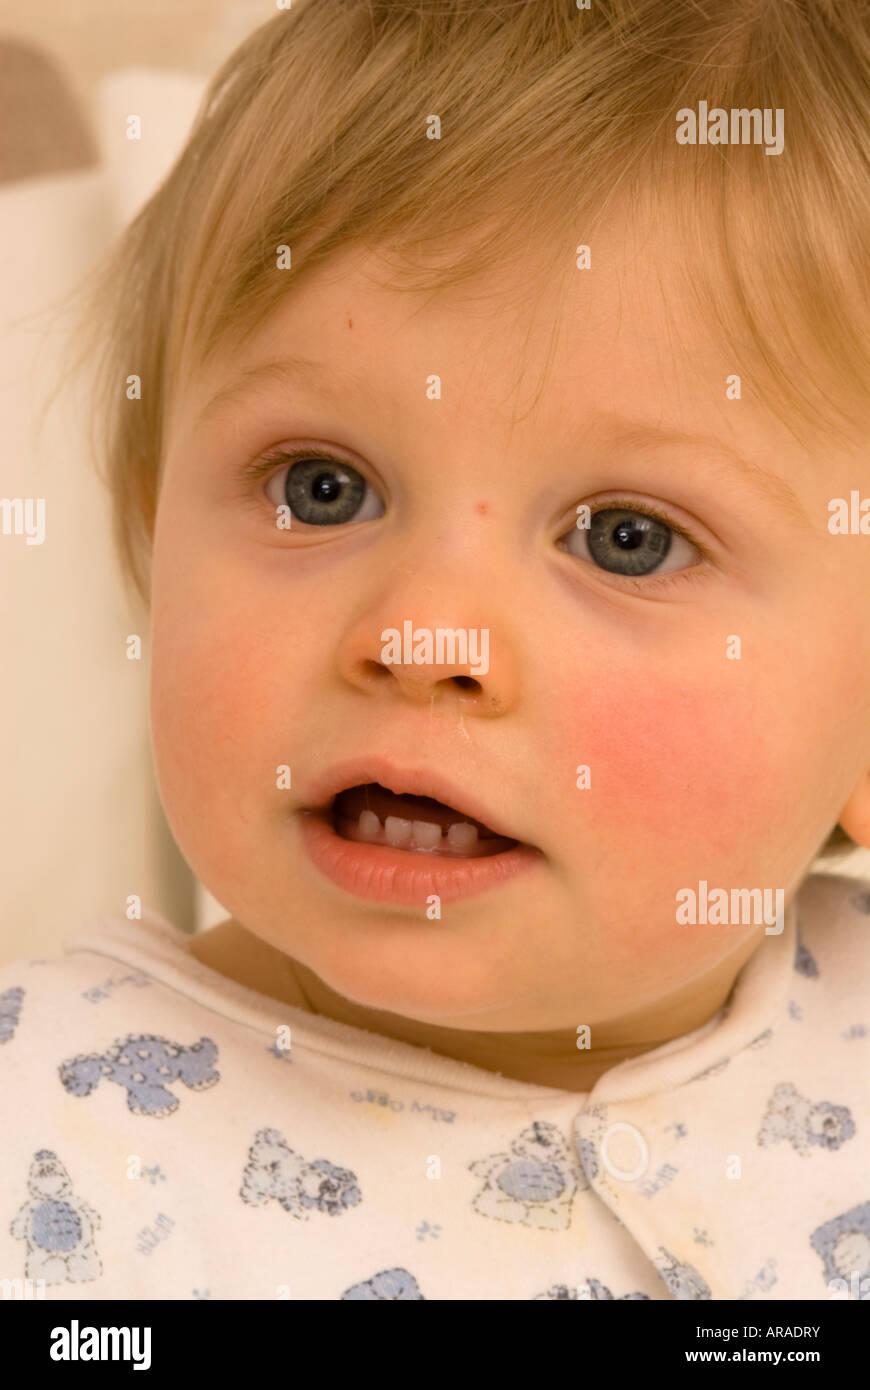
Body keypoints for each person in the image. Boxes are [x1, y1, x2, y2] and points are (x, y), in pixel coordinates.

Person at [2, 0, 869, 1301]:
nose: (423, 639)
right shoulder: (50, 1130)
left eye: (626, 538)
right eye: (321, 487)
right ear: (151, 536)